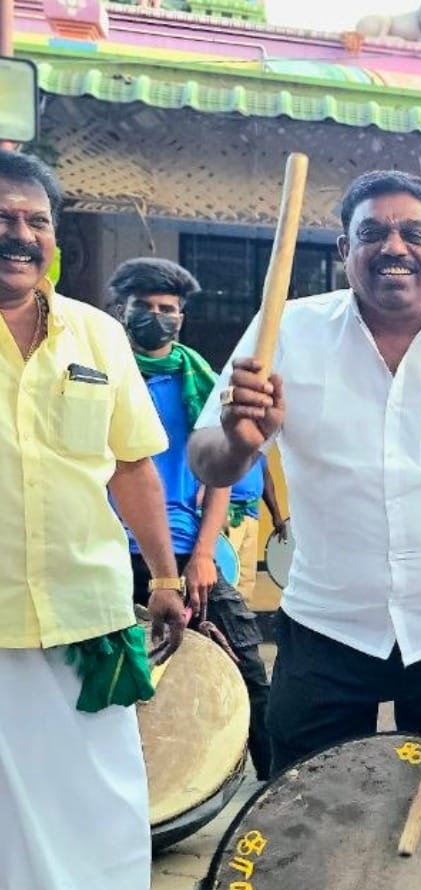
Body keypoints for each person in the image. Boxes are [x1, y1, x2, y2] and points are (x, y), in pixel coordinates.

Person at [188, 169, 421, 775]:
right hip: (325, 628)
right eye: (373, 233)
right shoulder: (286, 331)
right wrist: (237, 442)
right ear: (345, 249)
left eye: (413, 233)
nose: (394, 247)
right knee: (304, 808)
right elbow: (207, 459)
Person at [0, 151, 187, 890]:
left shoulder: (96, 335)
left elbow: (133, 466)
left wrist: (165, 578)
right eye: (4, 218)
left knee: (101, 820)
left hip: (88, 622)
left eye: (35, 221)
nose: (20, 234)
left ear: (55, 238)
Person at [105, 257, 272, 781]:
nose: (156, 317)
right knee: (108, 683)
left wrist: (203, 555)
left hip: (185, 551)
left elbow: (221, 475)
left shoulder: (202, 383)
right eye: (144, 306)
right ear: (122, 310)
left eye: (167, 308)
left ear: (182, 317)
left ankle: (274, 792)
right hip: (108, 552)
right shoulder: (100, 374)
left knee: (250, 673)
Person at [225, 454, 287, 603]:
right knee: (226, 571)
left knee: (247, 575)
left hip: (252, 515)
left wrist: (276, 516)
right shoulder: (223, 447)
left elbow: (266, 479)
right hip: (229, 516)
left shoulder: (259, 452)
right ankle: (219, 613)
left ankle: (242, 612)